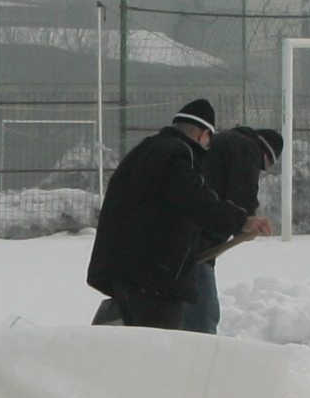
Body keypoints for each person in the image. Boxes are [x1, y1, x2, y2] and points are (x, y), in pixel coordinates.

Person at [87, 98, 272, 330]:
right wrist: (241, 220)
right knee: (163, 349)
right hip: (154, 274)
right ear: (203, 135)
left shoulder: (144, 150)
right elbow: (196, 200)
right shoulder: (179, 155)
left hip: (122, 267)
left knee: (137, 344)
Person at [186, 124, 282, 334]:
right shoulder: (247, 148)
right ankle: (200, 356)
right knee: (202, 313)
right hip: (195, 242)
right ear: (265, 154)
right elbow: (242, 192)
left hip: (182, 234)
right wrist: (246, 221)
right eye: (263, 166)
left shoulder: (221, 143)